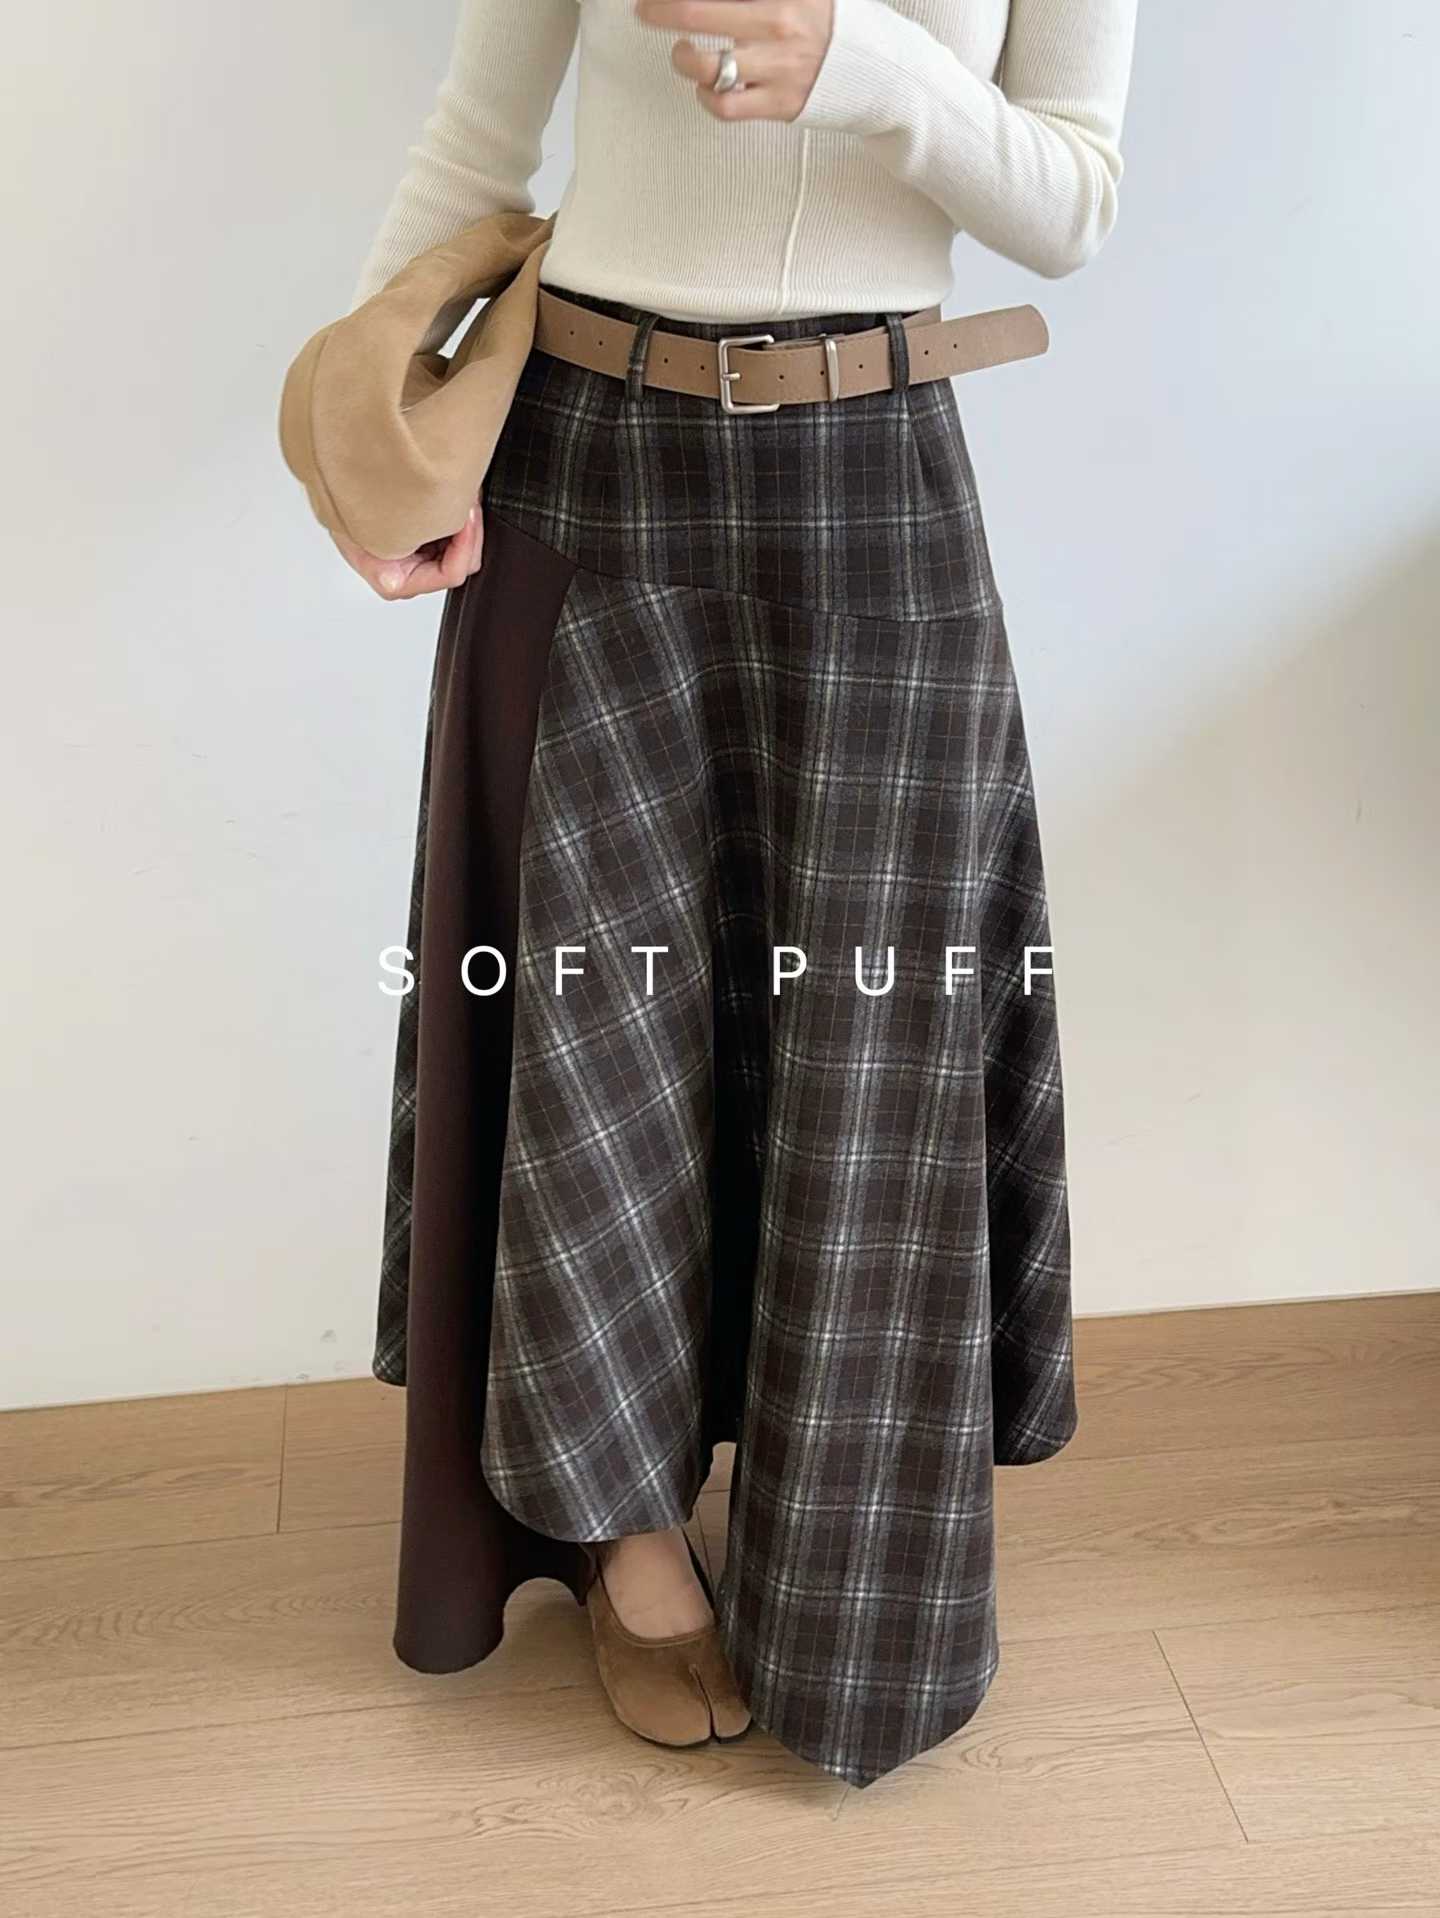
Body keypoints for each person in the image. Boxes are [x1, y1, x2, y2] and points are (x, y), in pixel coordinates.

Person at [341, 0, 1137, 1790]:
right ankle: (625, 1536)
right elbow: (477, 136)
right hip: (583, 458)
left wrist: (867, 65)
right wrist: (381, 433)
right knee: (596, 1020)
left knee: (873, 1044)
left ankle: (847, 1561)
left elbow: (1073, 199)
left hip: (876, 467)